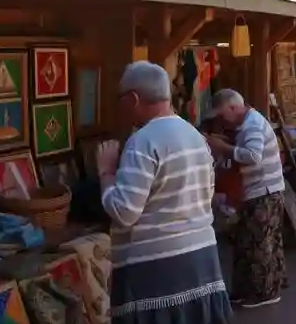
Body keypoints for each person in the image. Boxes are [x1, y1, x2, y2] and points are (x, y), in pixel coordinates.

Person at [99, 61, 232, 323]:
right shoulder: (194, 135)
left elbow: (124, 212)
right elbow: (204, 197)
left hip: (157, 273)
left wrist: (106, 172)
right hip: (202, 262)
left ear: (134, 99)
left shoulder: (143, 141)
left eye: (122, 100)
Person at [207, 88, 286, 309]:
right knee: (248, 243)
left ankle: (264, 292)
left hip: (263, 191)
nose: (223, 120)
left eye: (223, 115)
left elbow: (252, 155)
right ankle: (248, 290)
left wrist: (223, 147)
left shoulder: (251, 125)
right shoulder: (248, 123)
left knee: (258, 245)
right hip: (260, 190)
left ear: (234, 108)